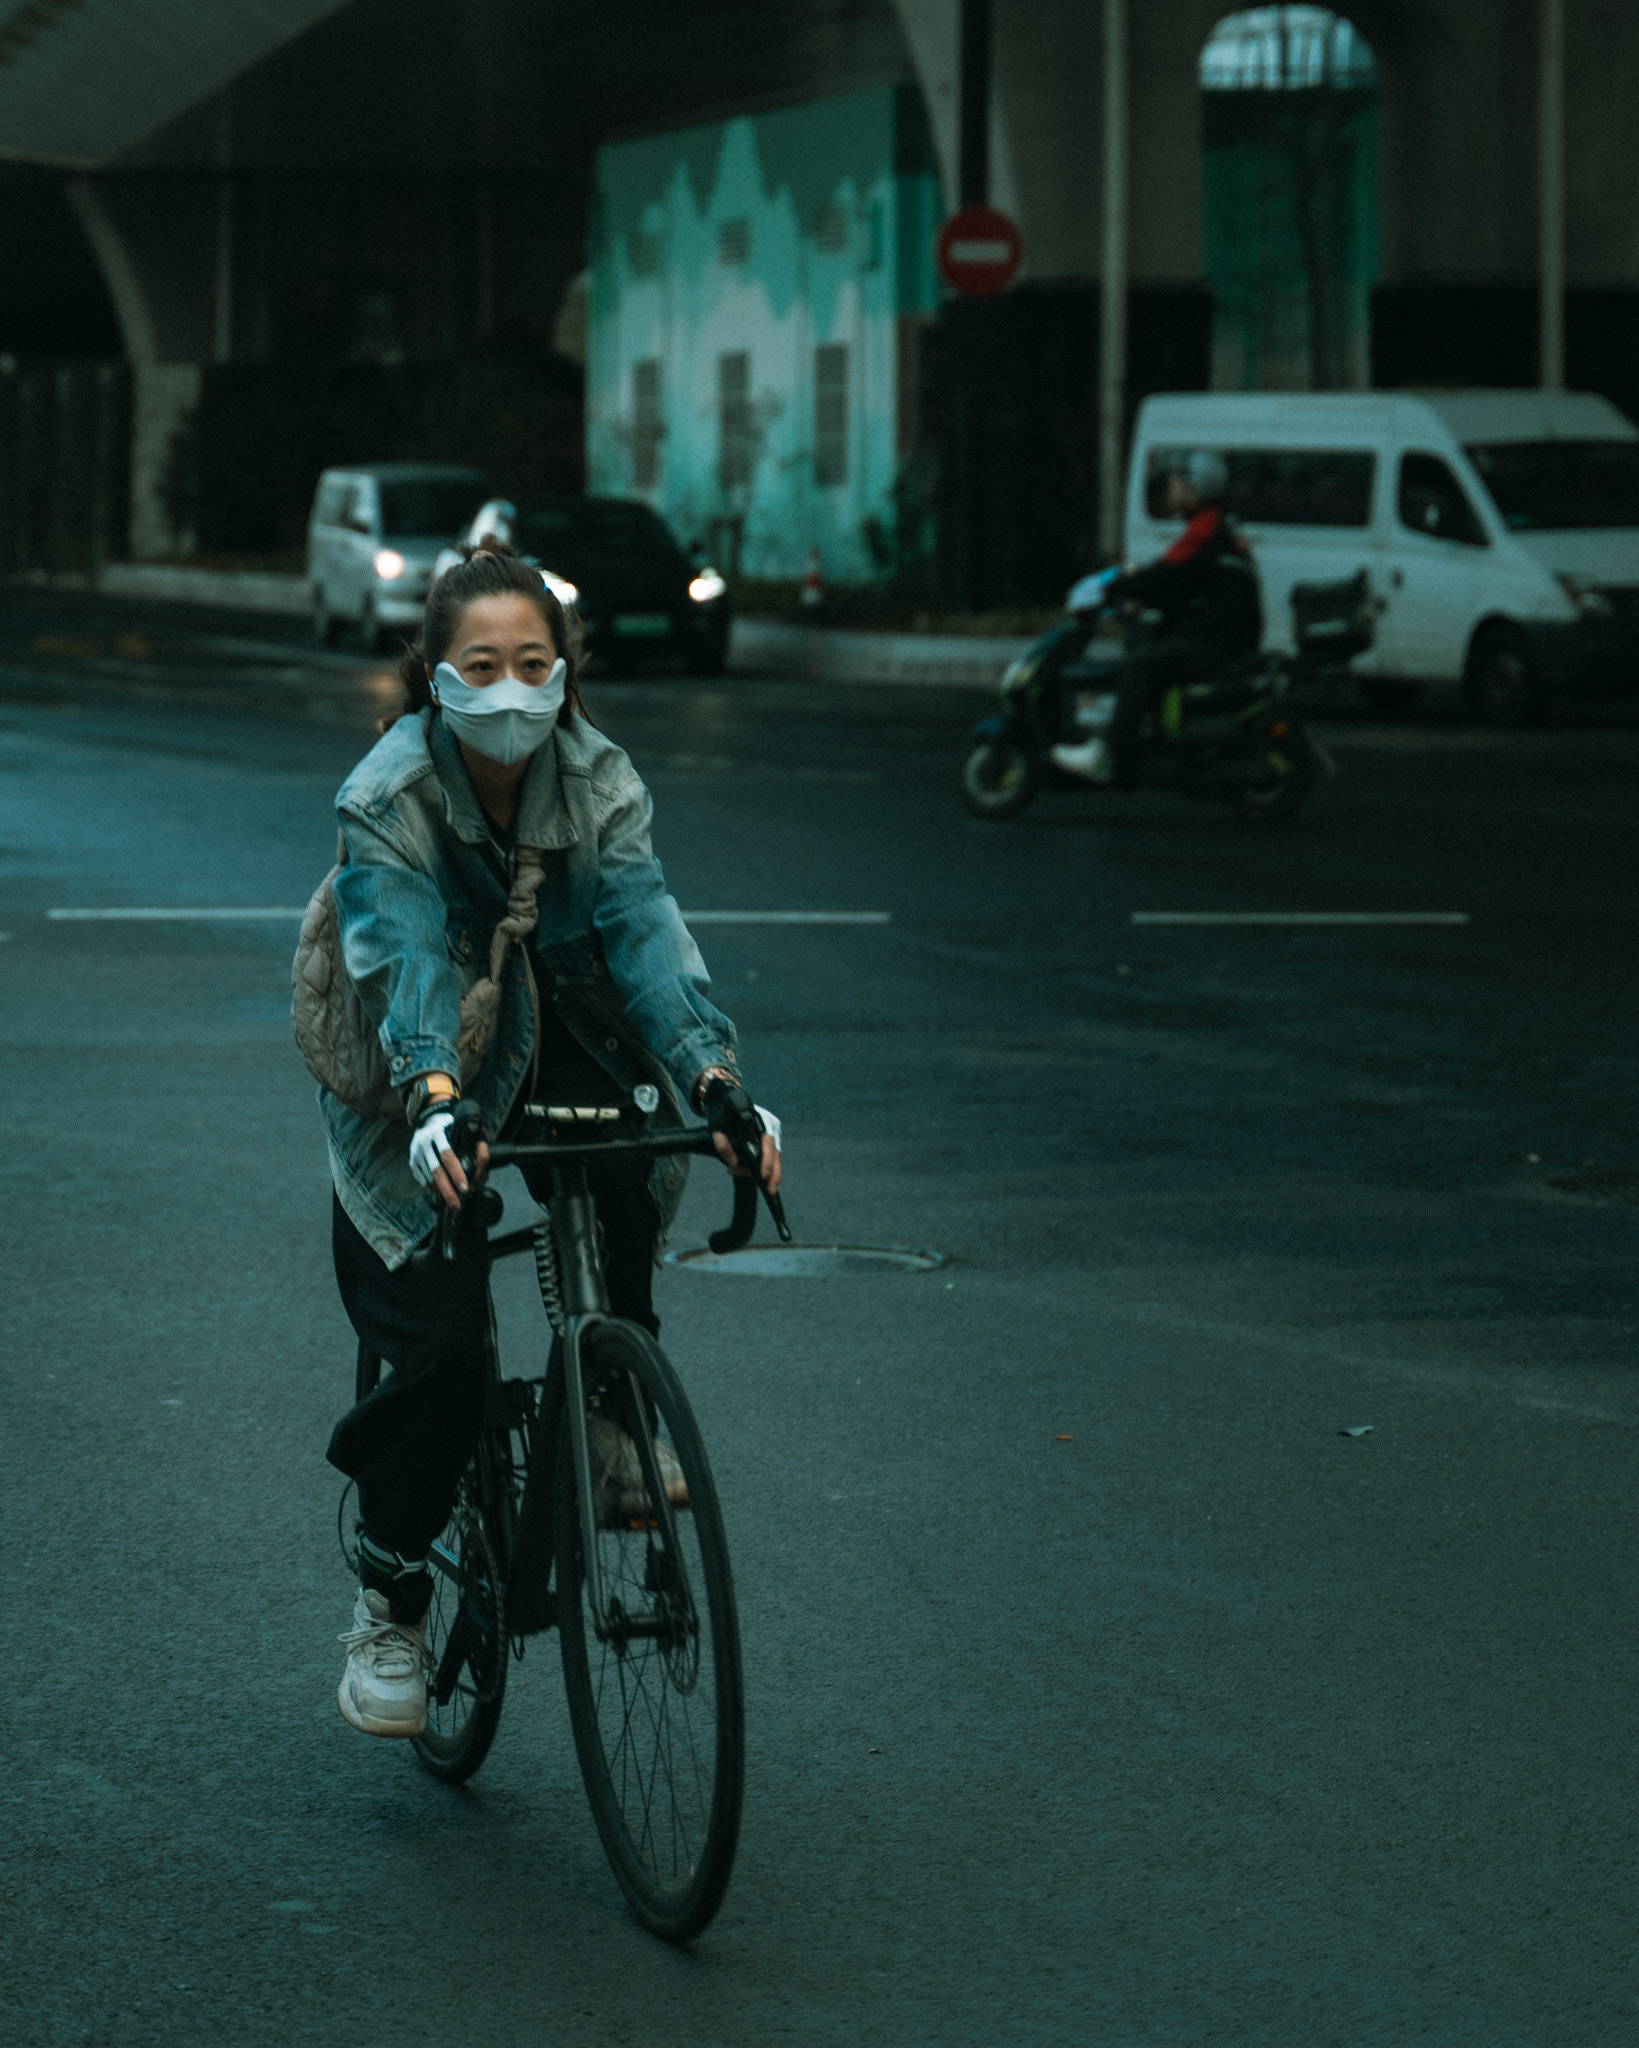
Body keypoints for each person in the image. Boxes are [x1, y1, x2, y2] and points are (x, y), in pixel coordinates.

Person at [317, 544, 781, 1739]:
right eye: (484, 665)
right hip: (417, 1060)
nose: (513, 688)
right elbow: (402, 952)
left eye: (536, 663)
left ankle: (617, 1409)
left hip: (563, 1014)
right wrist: (428, 1099)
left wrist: (716, 1078)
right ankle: (390, 1589)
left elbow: (642, 923)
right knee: (439, 1354)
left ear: (565, 673)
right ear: (435, 676)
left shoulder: (597, 774)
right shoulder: (388, 795)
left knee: (631, 1151)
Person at [1051, 449, 1263, 784]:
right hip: (1218, 632)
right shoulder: (1213, 526)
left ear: (1195, 488)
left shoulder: (1205, 530)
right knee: (1144, 639)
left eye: (1177, 482)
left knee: (1141, 663)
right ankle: (1154, 739)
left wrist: (1111, 588)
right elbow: (1185, 582)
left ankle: (1105, 752)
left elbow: (1166, 573)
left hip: (1215, 642)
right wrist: (1140, 601)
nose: (1170, 490)